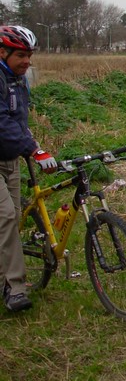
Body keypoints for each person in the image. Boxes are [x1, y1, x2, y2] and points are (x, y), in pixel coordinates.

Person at [0, 26, 57, 312]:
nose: (27, 61)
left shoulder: (19, 81)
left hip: (9, 159)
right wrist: (33, 149)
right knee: (7, 218)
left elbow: (19, 121)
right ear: (2, 52)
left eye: (29, 55)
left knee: (15, 219)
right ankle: (15, 289)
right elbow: (2, 124)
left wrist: (33, 143)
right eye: (21, 55)